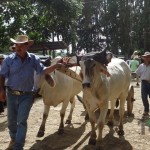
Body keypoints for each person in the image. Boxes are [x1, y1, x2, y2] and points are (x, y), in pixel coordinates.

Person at [0, 35, 62, 150]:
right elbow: (2, 75)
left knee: (22, 121)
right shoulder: (9, 59)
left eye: (21, 45)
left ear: (27, 46)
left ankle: (18, 147)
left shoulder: (33, 59)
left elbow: (42, 71)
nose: (18, 47)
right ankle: (14, 139)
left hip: (27, 95)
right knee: (11, 122)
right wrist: (1, 90)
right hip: (11, 94)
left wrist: (56, 66)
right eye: (16, 45)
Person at [136, 51, 150, 117]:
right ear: (144, 58)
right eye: (145, 57)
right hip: (144, 83)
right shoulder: (141, 66)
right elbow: (137, 73)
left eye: (148, 57)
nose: (147, 58)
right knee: (144, 97)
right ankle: (146, 110)